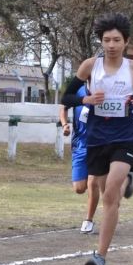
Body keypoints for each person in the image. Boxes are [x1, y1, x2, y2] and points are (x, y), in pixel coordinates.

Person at [61, 13, 133, 265]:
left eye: (116, 40)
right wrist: (85, 100)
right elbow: (67, 97)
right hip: (96, 138)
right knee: (107, 193)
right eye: (106, 40)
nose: (111, 45)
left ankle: (100, 256)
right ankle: (125, 180)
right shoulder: (89, 66)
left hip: (125, 137)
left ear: (126, 42)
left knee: (109, 196)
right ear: (101, 41)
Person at [59, 85, 99, 234]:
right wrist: (65, 124)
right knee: (79, 188)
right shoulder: (78, 90)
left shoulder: (105, 88)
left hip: (99, 143)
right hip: (80, 144)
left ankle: (88, 220)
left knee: (93, 183)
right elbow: (64, 106)